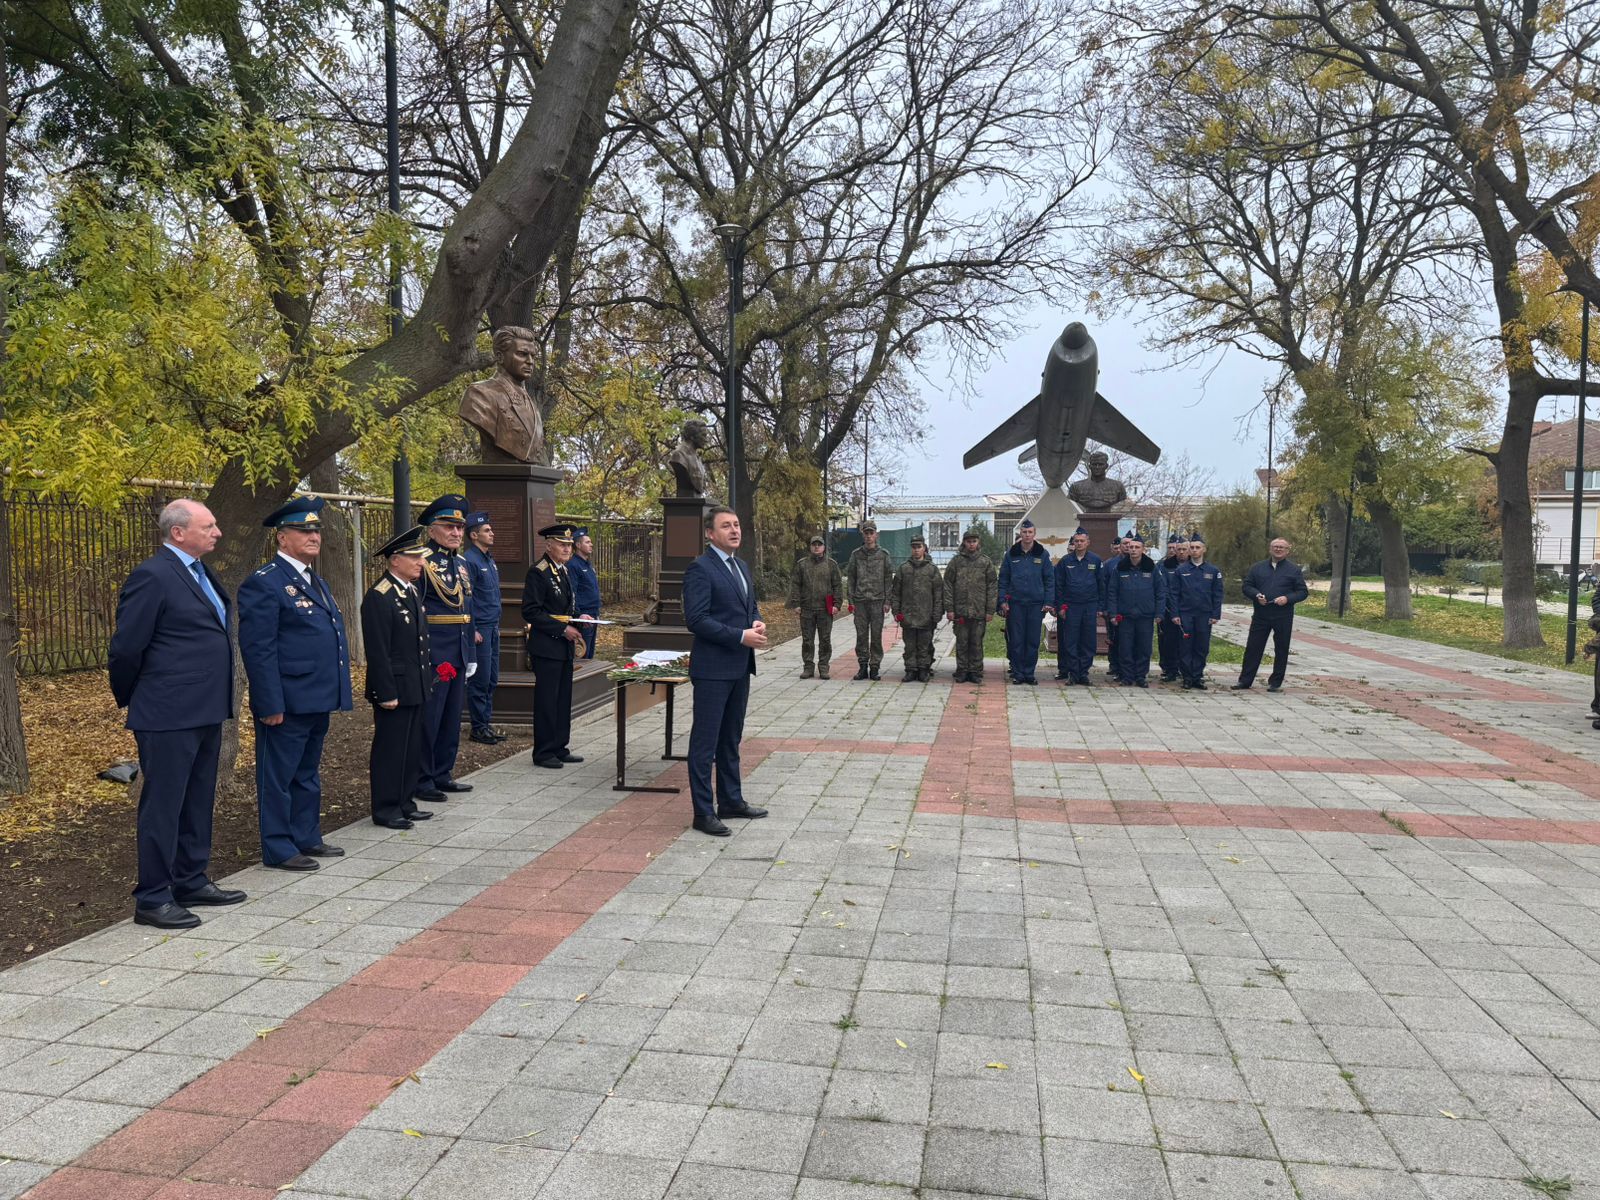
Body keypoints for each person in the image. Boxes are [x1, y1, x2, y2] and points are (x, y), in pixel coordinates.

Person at [108, 498, 246, 930]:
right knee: (164, 805)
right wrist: (139, 697)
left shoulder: (202, 571)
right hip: (167, 712)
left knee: (197, 799)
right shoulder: (153, 575)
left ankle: (190, 879)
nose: (217, 532)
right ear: (178, 532)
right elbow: (127, 647)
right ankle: (152, 897)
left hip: (205, 709)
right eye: (208, 526)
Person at [237, 497, 352, 871]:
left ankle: (306, 835)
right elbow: (259, 649)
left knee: (307, 772)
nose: (314, 535)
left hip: (316, 696)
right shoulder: (266, 583)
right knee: (279, 776)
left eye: (316, 529)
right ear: (282, 537)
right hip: (286, 700)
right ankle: (278, 847)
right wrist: (269, 704)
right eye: (304, 530)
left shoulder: (313, 580)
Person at [682, 506, 768, 836]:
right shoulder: (700, 569)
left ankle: (731, 800)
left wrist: (755, 621)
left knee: (730, 739)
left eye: (736, 524)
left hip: (739, 666)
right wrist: (739, 636)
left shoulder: (741, 566)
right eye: (726, 526)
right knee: (705, 743)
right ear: (709, 533)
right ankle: (703, 812)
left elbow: (749, 606)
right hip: (713, 669)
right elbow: (697, 620)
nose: (735, 530)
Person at [359, 526, 436, 830]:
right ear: (394, 560)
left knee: (411, 746)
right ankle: (387, 808)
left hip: (414, 683)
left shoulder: (410, 590)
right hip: (394, 686)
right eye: (414, 557)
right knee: (391, 749)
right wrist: (385, 691)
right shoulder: (380, 596)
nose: (421, 562)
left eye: (421, 557)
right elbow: (378, 651)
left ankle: (406, 801)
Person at [416, 495, 475, 800]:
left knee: (452, 717)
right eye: (448, 526)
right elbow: (417, 612)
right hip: (436, 651)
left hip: (460, 649)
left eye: (460, 527)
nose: (455, 532)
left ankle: (443, 772)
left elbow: (469, 610)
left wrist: (472, 654)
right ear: (431, 529)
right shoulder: (422, 561)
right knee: (431, 718)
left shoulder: (462, 564)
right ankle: (423, 778)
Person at [522, 523, 586, 769]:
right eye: (562, 544)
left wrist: (582, 618)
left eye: (569, 545)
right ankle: (544, 751)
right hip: (547, 645)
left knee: (562, 699)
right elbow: (531, 611)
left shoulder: (563, 570)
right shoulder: (538, 572)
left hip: (564, 647)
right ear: (548, 545)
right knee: (548, 699)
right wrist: (562, 628)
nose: (567, 548)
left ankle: (560, 746)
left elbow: (567, 606)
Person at [1233, 537, 1309, 692]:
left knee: (1281, 648)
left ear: (1287, 550)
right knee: (1253, 647)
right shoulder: (1257, 568)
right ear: (1270, 549)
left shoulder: (1294, 570)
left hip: (1283, 614)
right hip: (1261, 613)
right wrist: (1256, 595)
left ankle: (1275, 682)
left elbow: (1302, 592)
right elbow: (1247, 586)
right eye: (1275, 546)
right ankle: (1245, 681)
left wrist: (1287, 598)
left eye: (1282, 547)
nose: (1278, 549)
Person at [463, 511, 505, 745]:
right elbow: (467, 597)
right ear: (474, 534)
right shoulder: (470, 560)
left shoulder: (488, 559)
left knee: (491, 678)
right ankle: (478, 727)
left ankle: (485, 724)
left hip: (493, 626)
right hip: (481, 628)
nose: (492, 533)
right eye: (487, 531)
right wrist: (473, 628)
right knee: (479, 680)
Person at [1105, 533, 1167, 687]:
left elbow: (1160, 592)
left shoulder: (1151, 568)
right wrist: (1113, 613)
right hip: (1125, 616)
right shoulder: (1119, 568)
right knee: (1125, 648)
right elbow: (1112, 592)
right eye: (1131, 547)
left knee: (1144, 648)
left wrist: (1159, 613)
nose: (1133, 550)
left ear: (1143, 550)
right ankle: (1126, 676)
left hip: (1145, 616)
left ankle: (1140, 676)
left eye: (1137, 547)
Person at [998, 518, 1054, 685]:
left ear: (1034, 534)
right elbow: (1003, 580)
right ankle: (1017, 672)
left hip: (1036, 605)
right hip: (1016, 604)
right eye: (1024, 532)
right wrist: (1002, 600)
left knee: (1032, 640)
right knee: (1016, 640)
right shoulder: (1010, 555)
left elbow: (1050, 580)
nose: (1027, 535)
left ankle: (1029, 673)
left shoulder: (1042, 555)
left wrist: (1048, 601)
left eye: (1030, 532)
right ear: (1020, 534)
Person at [943, 526, 998, 683]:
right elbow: (947, 584)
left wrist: (990, 610)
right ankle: (962, 670)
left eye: (974, 541)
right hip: (960, 611)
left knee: (976, 642)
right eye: (968, 541)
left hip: (979, 611)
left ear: (978, 543)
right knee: (961, 642)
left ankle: (975, 671)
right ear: (964, 543)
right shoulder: (956, 562)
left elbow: (992, 586)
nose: (971, 544)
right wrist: (950, 608)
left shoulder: (985, 562)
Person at [1172, 533, 1223, 689]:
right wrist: (1175, 614)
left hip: (1204, 615)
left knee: (1201, 646)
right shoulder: (1181, 570)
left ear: (1204, 549)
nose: (1194, 550)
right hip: (1185, 614)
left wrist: (1215, 614)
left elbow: (1218, 594)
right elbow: (1174, 593)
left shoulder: (1213, 571)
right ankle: (1187, 677)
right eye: (1192, 548)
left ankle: (1197, 676)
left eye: (1197, 548)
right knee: (1186, 646)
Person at [1053, 527, 1103, 685]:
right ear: (1073, 543)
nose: (1079, 543)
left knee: (1088, 641)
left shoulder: (1095, 560)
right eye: (1077, 541)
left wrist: (1100, 607)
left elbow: (1102, 584)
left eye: (1082, 541)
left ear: (1088, 542)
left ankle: (1083, 673)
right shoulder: (1066, 561)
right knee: (1071, 641)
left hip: (1089, 606)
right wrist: (1060, 606)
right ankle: (1073, 673)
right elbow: (1058, 586)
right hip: (1071, 607)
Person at [788, 534, 843, 679]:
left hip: (825, 609)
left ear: (824, 547)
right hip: (807, 608)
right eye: (814, 544)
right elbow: (795, 585)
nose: (816, 547)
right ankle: (808, 667)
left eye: (819, 544)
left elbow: (837, 585)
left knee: (825, 640)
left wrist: (837, 604)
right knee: (807, 640)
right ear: (810, 547)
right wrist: (796, 603)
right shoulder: (802, 564)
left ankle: (824, 667)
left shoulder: (831, 564)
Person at [847, 520, 894, 680]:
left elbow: (889, 579)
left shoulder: (883, 555)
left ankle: (874, 667)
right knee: (861, 636)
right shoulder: (856, 555)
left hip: (877, 601)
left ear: (876, 535)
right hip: (860, 602)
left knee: (876, 636)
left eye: (871, 533)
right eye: (866, 533)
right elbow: (851, 578)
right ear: (863, 534)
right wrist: (851, 601)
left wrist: (888, 601)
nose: (868, 536)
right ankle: (862, 666)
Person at [891, 535, 943, 682]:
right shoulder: (903, 568)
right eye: (913, 547)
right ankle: (910, 670)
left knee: (924, 645)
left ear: (924, 548)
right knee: (910, 646)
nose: (916, 550)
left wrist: (937, 613)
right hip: (908, 615)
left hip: (926, 615)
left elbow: (938, 593)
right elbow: (896, 592)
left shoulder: (932, 569)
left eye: (919, 547)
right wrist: (896, 611)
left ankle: (923, 670)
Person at [1156, 533, 1190, 683]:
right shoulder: (1164, 566)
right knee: (1169, 641)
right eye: (1179, 549)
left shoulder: (1194, 566)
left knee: (1186, 642)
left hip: (1189, 611)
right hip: (1169, 610)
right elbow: (1162, 588)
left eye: (1184, 549)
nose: (1181, 552)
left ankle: (1186, 670)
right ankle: (1170, 670)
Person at [1104, 528, 1137, 682]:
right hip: (1114, 608)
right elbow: (1104, 586)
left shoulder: (1139, 563)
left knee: (1131, 641)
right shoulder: (1110, 564)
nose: (1126, 547)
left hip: (1132, 609)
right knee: (1114, 639)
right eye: (1124, 544)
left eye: (1130, 544)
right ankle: (1115, 666)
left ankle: (1131, 669)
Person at [569, 528, 602, 660]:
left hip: (593, 613)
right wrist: (578, 614)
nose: (591, 544)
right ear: (578, 545)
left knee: (590, 652)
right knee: (582, 653)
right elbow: (572, 592)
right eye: (587, 542)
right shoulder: (573, 565)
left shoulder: (587, 565)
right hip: (584, 616)